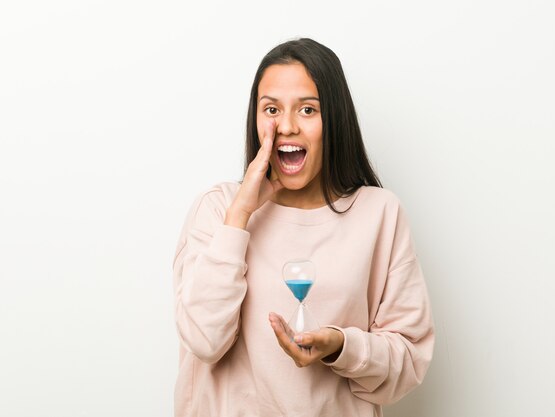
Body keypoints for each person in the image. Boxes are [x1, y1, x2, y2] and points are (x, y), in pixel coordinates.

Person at [172, 38, 435, 417]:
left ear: (334, 119)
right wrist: (241, 213)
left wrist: (342, 347)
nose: (288, 127)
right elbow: (203, 340)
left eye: (308, 109)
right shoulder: (218, 209)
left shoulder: (379, 213)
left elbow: (409, 362)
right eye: (272, 109)